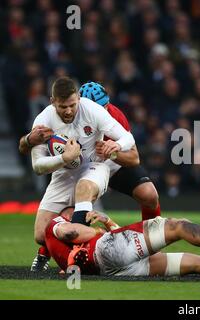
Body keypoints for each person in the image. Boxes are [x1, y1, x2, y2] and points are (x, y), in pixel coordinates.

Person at [18, 76, 136, 271]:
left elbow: (128, 137)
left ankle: (76, 258)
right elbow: (38, 167)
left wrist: (116, 144)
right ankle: (97, 234)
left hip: (94, 168)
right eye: (63, 107)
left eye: (73, 105)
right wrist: (63, 159)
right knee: (41, 235)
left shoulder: (92, 110)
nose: (69, 111)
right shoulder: (43, 121)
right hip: (62, 175)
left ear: (78, 99)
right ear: (52, 101)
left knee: (84, 188)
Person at [45, 207, 200, 278]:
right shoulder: (54, 223)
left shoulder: (62, 256)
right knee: (177, 226)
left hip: (113, 269)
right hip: (108, 250)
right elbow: (68, 232)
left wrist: (108, 223)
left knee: (196, 263)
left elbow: (72, 265)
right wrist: (91, 229)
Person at [78, 81, 161, 220]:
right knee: (76, 210)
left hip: (110, 163)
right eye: (99, 108)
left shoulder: (114, 114)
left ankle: (151, 235)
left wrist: (112, 153)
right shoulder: (72, 118)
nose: (104, 112)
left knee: (149, 195)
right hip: (82, 167)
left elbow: (134, 158)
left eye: (106, 106)